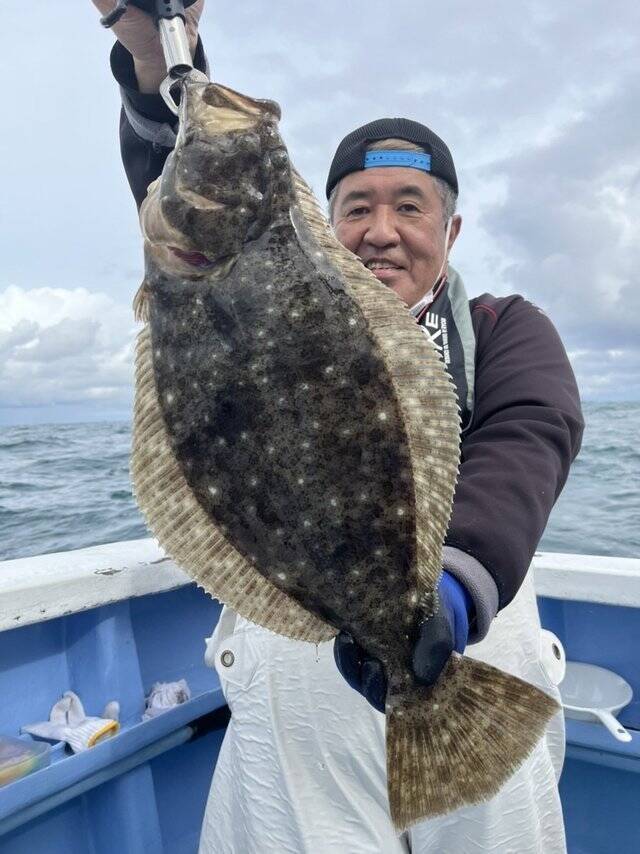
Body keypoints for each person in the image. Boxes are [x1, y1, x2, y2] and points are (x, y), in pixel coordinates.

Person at [92, 2, 584, 851]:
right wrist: (152, 44)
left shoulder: (504, 330)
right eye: (356, 207)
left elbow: (529, 442)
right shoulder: (252, 279)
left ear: (450, 228)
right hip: (300, 711)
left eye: (410, 207)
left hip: (460, 647)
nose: (382, 232)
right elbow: (190, 188)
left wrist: (451, 590)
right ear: (321, 221)